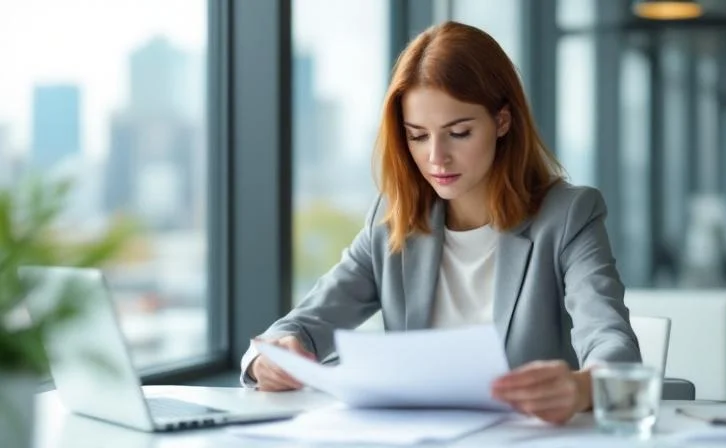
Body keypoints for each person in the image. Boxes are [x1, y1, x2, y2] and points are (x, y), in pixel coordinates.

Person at [240, 21, 641, 425]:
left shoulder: (568, 215)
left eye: (459, 133)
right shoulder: (391, 220)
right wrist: (266, 360)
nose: (436, 158)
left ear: (502, 121)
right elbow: (300, 325)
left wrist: (581, 387)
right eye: (417, 136)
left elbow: (612, 345)